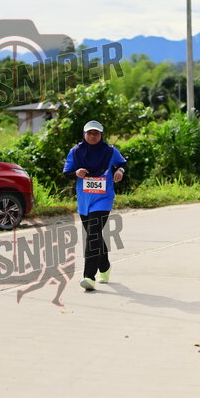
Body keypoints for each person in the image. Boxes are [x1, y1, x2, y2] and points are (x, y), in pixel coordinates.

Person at [63, 120, 126, 291]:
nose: (92, 136)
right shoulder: (75, 152)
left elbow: (122, 163)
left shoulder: (110, 151)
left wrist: (120, 171)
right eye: (89, 133)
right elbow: (67, 172)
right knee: (95, 235)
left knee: (92, 234)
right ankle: (105, 267)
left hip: (103, 199)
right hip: (85, 201)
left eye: (96, 133)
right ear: (84, 134)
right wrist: (76, 173)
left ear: (101, 135)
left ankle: (89, 277)